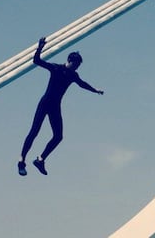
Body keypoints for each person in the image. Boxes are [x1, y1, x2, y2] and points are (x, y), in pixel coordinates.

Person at [18, 37, 104, 176]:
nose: (76, 68)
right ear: (69, 61)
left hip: (55, 107)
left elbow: (82, 84)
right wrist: (40, 47)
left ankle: (40, 160)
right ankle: (21, 161)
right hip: (45, 103)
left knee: (58, 136)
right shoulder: (56, 68)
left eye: (78, 66)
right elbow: (37, 61)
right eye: (75, 65)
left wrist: (95, 90)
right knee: (34, 132)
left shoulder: (73, 75)